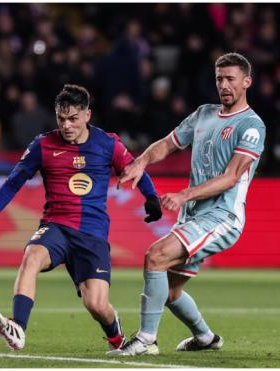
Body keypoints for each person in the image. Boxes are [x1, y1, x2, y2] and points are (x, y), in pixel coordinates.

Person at [0, 85, 162, 351]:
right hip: (55, 227)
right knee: (31, 256)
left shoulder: (108, 143)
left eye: (73, 119)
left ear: (87, 115)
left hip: (92, 235)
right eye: (61, 118)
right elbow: (12, 183)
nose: (66, 125)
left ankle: (117, 339)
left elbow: (136, 169)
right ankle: (18, 327)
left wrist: (151, 198)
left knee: (96, 304)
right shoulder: (43, 145)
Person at [108, 52, 266, 356]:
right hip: (193, 215)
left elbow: (232, 177)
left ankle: (146, 339)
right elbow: (168, 143)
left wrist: (184, 194)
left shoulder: (252, 125)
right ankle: (206, 338)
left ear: (247, 82)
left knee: (155, 256)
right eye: (219, 78)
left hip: (222, 216)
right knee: (168, 291)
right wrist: (140, 163)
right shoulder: (204, 113)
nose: (224, 85)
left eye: (231, 79)